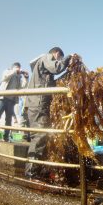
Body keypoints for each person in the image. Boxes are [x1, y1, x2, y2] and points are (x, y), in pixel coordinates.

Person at [24, 47, 72, 178]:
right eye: (60, 58)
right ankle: (31, 174)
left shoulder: (44, 72)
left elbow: (53, 83)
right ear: (56, 54)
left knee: (42, 137)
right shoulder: (46, 57)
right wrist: (68, 58)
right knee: (39, 137)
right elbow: (56, 68)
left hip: (38, 104)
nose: (60, 60)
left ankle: (37, 170)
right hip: (38, 104)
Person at [0, 62, 29, 141]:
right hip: (2, 98)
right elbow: (5, 77)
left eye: (19, 67)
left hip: (11, 101)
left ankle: (5, 137)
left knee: (8, 120)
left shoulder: (19, 77)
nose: (18, 69)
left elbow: (23, 87)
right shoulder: (7, 71)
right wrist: (14, 71)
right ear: (13, 68)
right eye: (17, 67)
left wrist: (26, 78)